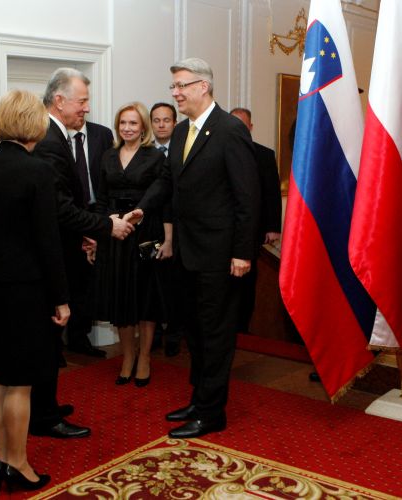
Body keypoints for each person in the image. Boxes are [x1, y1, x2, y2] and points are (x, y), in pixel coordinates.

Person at [138, 58, 260, 438]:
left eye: (181, 86)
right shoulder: (180, 132)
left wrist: (242, 252)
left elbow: (247, 197)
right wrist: (142, 209)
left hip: (220, 255)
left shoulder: (230, 130)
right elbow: (167, 181)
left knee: (215, 334)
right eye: (173, 87)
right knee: (194, 330)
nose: (175, 93)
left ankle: (211, 413)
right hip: (188, 253)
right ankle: (199, 399)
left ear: (202, 86)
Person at [30, 67, 139, 439]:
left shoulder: (55, 136)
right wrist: (106, 226)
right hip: (51, 258)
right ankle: (44, 416)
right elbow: (59, 207)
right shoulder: (49, 141)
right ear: (59, 101)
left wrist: (85, 233)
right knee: (47, 342)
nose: (87, 108)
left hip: (66, 246)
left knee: (50, 340)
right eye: (82, 101)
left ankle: (46, 405)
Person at [0, 90, 69, 492]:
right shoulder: (37, 170)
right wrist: (61, 298)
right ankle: (19, 462)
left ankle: (2, 458)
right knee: (21, 382)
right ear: (35, 124)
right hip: (27, 289)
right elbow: (47, 240)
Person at [94, 102, 168, 387]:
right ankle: (128, 357)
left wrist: (141, 215)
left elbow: (162, 194)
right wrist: (104, 224)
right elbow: (101, 197)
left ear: (143, 127)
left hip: (145, 232)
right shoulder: (108, 156)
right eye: (123, 123)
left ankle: (145, 357)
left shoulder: (155, 157)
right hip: (115, 234)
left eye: (133, 123)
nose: (127, 128)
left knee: (145, 297)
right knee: (121, 298)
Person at [230, 107, 282, 333]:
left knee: (247, 282)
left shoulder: (264, 154)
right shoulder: (218, 150)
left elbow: (272, 193)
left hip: (252, 230)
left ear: (250, 127)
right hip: (223, 230)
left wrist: (273, 227)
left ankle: (242, 328)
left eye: (242, 125)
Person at [67, 117, 115, 358]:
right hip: (67, 216)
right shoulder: (54, 137)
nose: (84, 108)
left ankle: (79, 336)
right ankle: (57, 342)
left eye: (86, 101)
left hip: (97, 213)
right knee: (66, 275)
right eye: (80, 101)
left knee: (89, 279)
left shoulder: (102, 134)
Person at [150, 102, 183, 357]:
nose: (161, 125)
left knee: (175, 285)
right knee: (153, 283)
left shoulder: (183, 150)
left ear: (175, 123)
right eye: (156, 120)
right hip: (151, 227)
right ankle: (155, 333)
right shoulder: (144, 152)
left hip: (179, 228)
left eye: (166, 120)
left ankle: (174, 332)